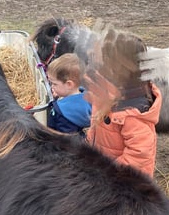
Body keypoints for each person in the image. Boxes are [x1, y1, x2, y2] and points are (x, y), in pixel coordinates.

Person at [84, 29, 162, 178]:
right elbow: (96, 123)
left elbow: (139, 155)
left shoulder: (133, 113)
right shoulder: (108, 91)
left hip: (125, 184)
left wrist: (108, 173)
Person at [46, 53, 91, 136]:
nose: (52, 87)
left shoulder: (64, 113)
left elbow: (66, 142)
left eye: (54, 84)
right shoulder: (86, 99)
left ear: (69, 84)